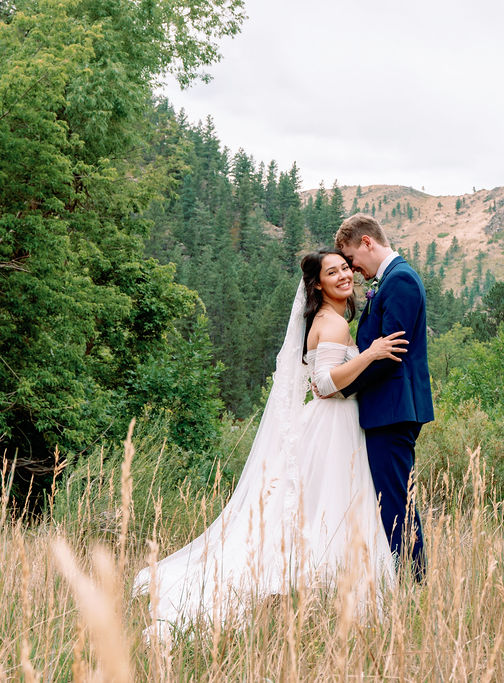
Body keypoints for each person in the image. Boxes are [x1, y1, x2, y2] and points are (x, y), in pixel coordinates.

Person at [133, 250, 407, 640]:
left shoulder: (332, 319)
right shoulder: (330, 324)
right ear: (318, 285)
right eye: (333, 272)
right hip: (335, 426)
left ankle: (327, 592)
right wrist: (372, 354)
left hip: (336, 423)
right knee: (332, 505)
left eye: (346, 267)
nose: (344, 275)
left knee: (325, 508)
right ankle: (323, 591)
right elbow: (326, 385)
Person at [334, 214, 433, 581]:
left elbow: (391, 354)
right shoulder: (389, 280)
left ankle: (413, 582)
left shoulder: (401, 280)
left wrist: (341, 387)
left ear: (367, 243)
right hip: (386, 409)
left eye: (352, 260)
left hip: (392, 410)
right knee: (391, 499)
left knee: (396, 503)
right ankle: (403, 579)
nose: (354, 271)